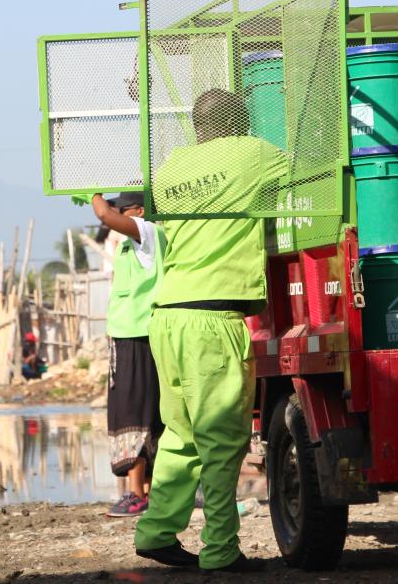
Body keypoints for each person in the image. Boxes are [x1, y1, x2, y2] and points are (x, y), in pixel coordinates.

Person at [134, 88, 289, 573]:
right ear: (241, 122)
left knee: (180, 433)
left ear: (198, 128)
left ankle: (158, 530)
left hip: (166, 315)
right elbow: (317, 171)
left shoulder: (172, 166)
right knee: (223, 438)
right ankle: (221, 550)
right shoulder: (255, 153)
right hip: (211, 318)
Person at [90, 191, 167, 518]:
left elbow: (104, 215)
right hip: (128, 334)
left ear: (138, 211)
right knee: (138, 411)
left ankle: (137, 494)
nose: (115, 215)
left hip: (138, 334)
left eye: (122, 209)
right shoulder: (132, 242)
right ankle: (146, 490)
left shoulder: (148, 233)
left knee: (133, 413)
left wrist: (89, 190)